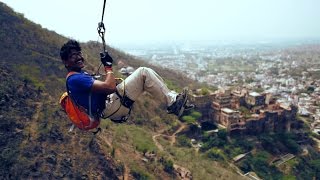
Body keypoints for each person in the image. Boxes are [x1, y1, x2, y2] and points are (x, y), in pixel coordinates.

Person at [60, 39, 194, 122]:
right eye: (73, 56)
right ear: (66, 62)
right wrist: (108, 68)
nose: (79, 57)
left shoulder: (77, 75)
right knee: (143, 72)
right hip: (110, 106)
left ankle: (174, 99)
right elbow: (109, 87)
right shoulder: (75, 79)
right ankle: (173, 102)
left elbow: (101, 89)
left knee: (144, 75)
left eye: (79, 54)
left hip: (109, 106)